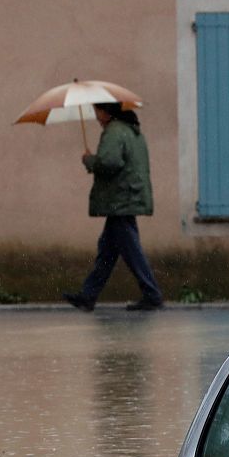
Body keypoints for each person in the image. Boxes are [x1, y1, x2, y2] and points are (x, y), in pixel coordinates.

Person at [62, 103, 164, 311]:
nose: (96, 116)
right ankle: (88, 295)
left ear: (106, 112)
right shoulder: (130, 130)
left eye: (97, 111)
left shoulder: (115, 131)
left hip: (121, 200)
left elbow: (110, 162)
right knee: (107, 250)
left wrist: (89, 160)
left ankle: (152, 294)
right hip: (127, 196)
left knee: (131, 250)